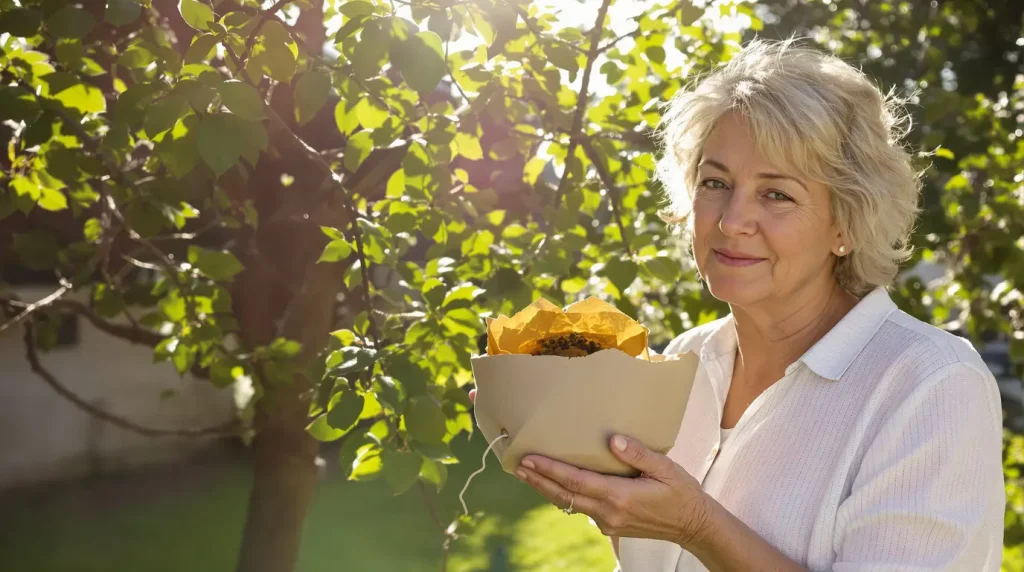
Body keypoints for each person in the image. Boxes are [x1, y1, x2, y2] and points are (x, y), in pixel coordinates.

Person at [470, 39, 1005, 570]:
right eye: (715, 182)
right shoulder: (682, 361)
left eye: (777, 194)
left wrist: (696, 525)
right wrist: (599, 488)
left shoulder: (931, 384)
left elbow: (686, 527)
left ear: (847, 223)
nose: (730, 221)